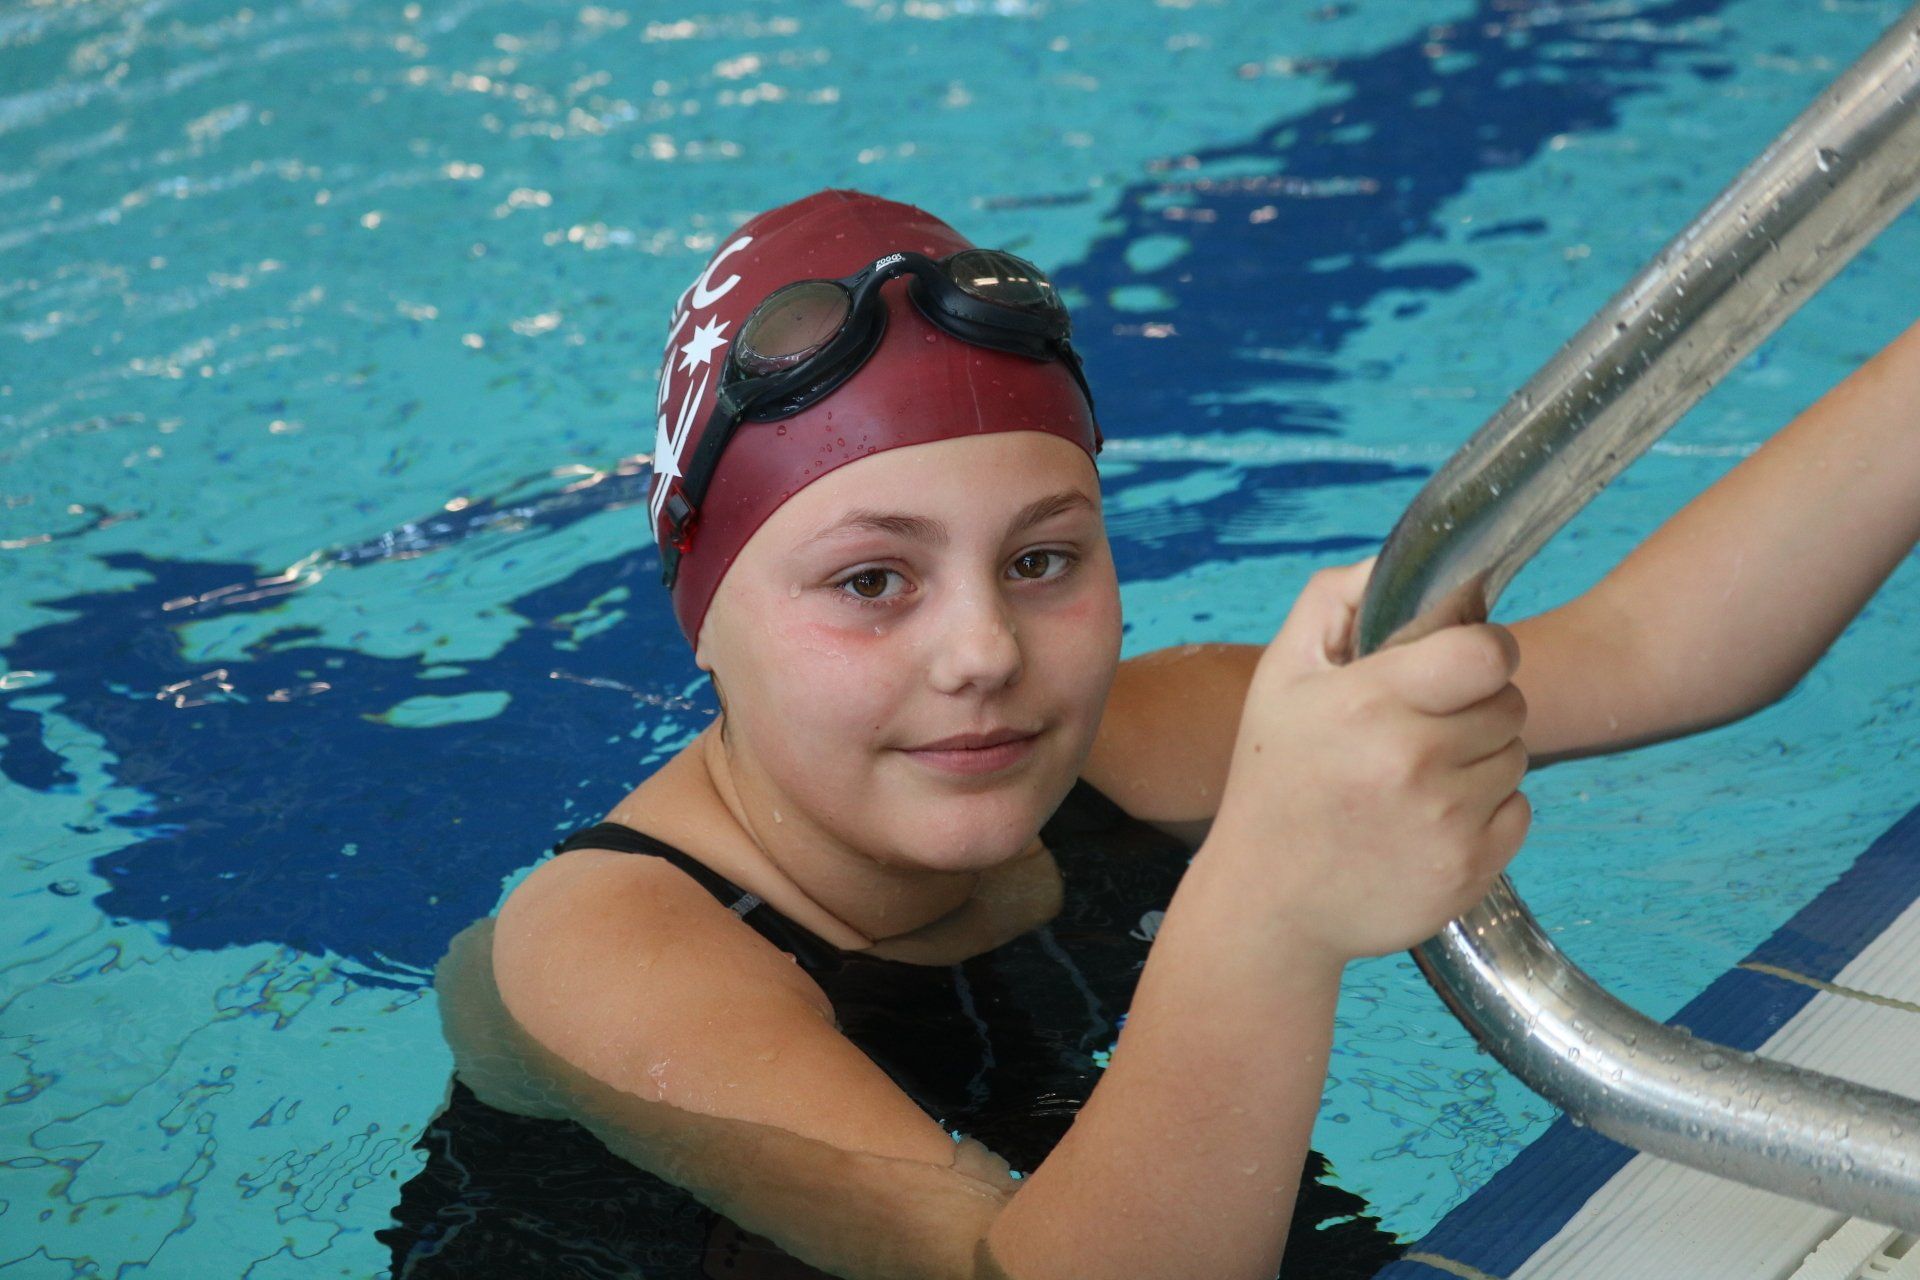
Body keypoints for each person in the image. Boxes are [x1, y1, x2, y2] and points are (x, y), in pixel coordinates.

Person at [398, 188, 1920, 1280]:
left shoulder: (1147, 733)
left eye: (1043, 559)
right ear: (702, 611)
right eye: (871, 581)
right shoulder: (606, 949)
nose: (984, 652)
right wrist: (1268, 896)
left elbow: (1654, 655)